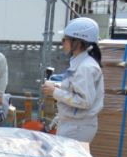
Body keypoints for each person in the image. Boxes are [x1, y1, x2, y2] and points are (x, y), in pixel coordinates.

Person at [41, 17, 104, 145]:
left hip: (77, 127)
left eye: (65, 39)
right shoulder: (80, 63)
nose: (62, 42)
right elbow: (75, 90)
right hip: (74, 123)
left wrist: (55, 92)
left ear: (78, 43)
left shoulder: (85, 67)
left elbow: (84, 101)